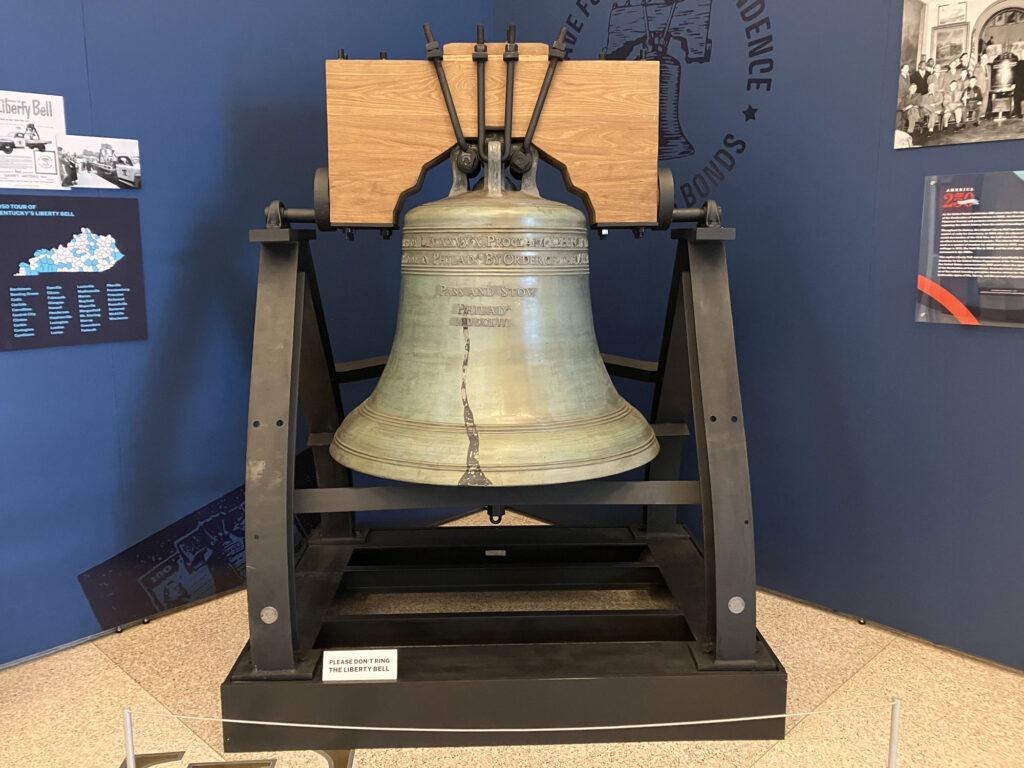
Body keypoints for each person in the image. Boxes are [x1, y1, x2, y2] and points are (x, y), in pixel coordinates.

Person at [974, 53, 992, 118]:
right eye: (983, 59)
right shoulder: (977, 68)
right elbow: (974, 78)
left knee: (985, 101)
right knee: (979, 101)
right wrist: (976, 89)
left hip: (987, 87)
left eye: (986, 59)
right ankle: (977, 115)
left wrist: (989, 88)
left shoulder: (989, 67)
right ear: (981, 59)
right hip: (980, 87)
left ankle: (983, 114)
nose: (984, 60)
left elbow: (989, 78)